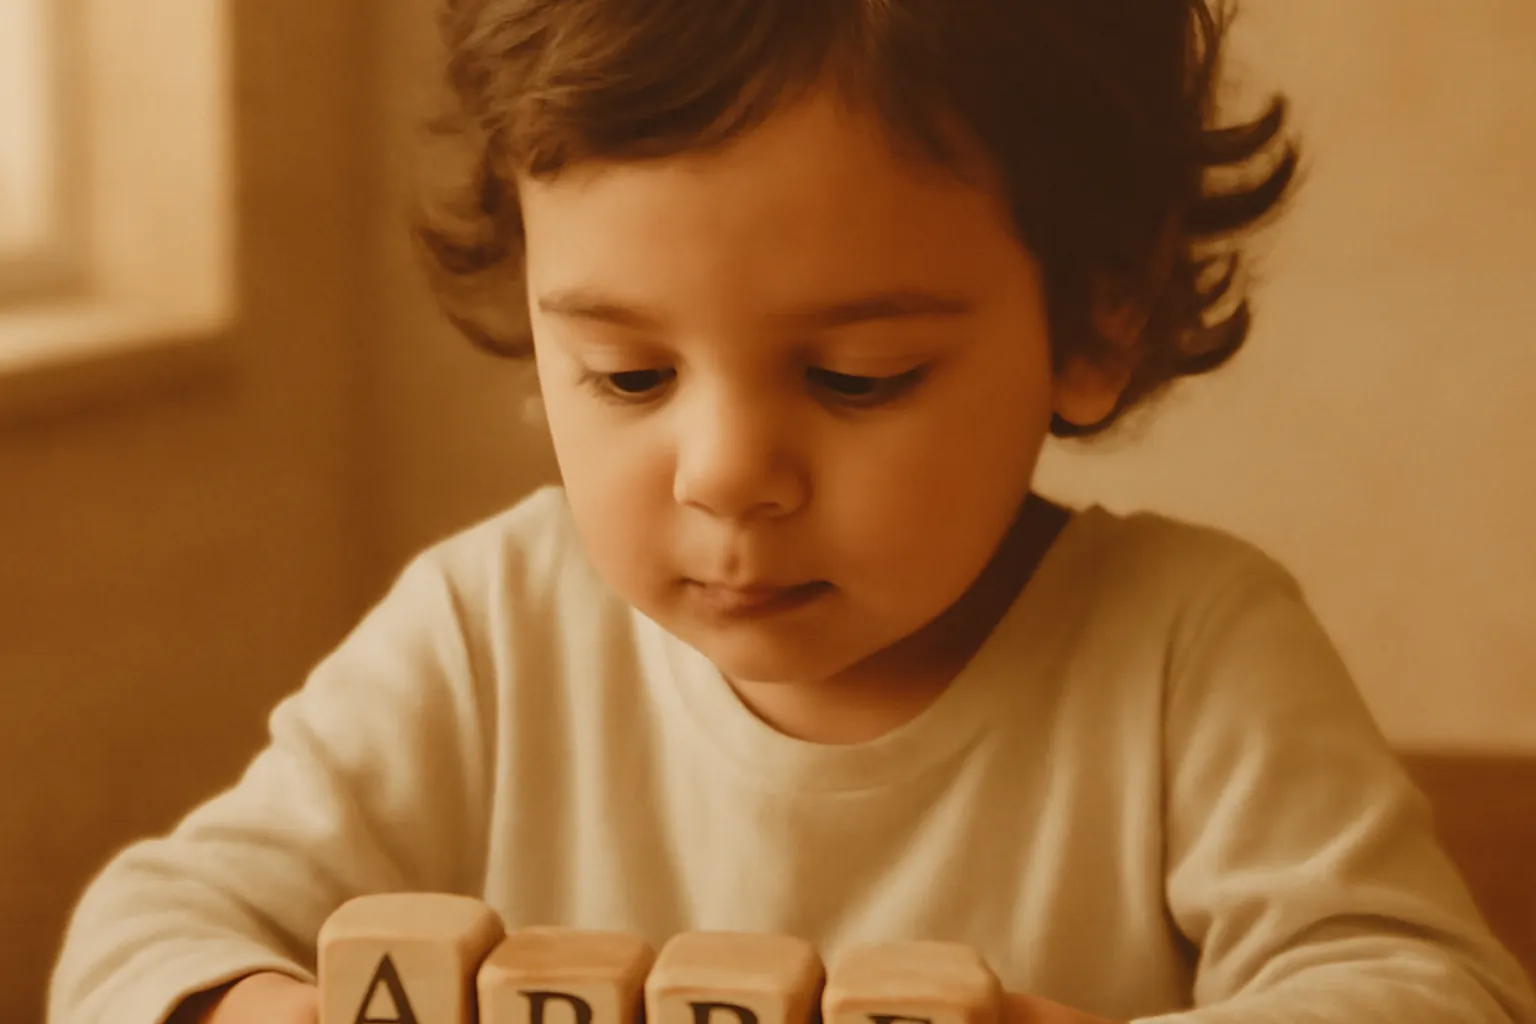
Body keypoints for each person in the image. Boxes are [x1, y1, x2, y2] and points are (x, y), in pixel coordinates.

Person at [46, 1, 1536, 1022]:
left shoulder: (1190, 655)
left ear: (1100, 317)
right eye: (628, 376)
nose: (722, 473)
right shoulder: (486, 632)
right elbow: (138, 937)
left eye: (856, 375)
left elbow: (1421, 989)